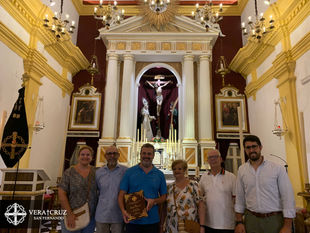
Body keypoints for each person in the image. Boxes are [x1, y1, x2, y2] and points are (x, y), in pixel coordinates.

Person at [235, 135, 296, 233]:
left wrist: (288, 226)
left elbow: (287, 197)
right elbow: (240, 197)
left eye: (254, 146)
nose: (251, 150)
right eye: (248, 147)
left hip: (274, 219)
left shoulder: (277, 168)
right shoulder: (242, 170)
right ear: (245, 150)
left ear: (260, 147)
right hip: (251, 220)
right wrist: (239, 222)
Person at [118, 143, 167, 233]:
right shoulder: (130, 172)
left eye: (149, 154)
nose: (146, 156)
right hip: (133, 220)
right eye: (144, 153)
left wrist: (154, 201)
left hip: (152, 220)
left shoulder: (159, 174)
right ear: (140, 154)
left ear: (153, 155)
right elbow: (121, 194)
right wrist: (123, 211)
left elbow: (164, 197)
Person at [58, 145, 97, 233]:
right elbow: (61, 193)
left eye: (88, 155)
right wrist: (69, 214)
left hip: (90, 217)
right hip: (72, 215)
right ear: (78, 156)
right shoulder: (69, 172)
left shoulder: (96, 172)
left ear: (92, 157)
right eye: (82, 154)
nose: (85, 157)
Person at [199, 149, 236, 233]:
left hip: (227, 224)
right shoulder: (204, 177)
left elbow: (236, 200)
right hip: (208, 223)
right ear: (207, 160)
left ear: (221, 159)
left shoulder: (231, 177)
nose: (213, 159)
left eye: (215, 157)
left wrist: (238, 221)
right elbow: (199, 198)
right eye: (210, 157)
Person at [164, 159, 203, 233]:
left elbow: (201, 206)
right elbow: (164, 207)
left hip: (190, 226)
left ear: (185, 170)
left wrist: (202, 226)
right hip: (172, 227)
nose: (176, 171)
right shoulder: (169, 187)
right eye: (174, 169)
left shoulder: (193, 185)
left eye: (179, 169)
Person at [95, 145, 128, 233]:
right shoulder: (98, 173)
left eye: (114, 153)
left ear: (118, 155)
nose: (112, 156)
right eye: (109, 154)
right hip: (102, 214)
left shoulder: (125, 171)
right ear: (105, 156)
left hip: (118, 214)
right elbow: (96, 192)